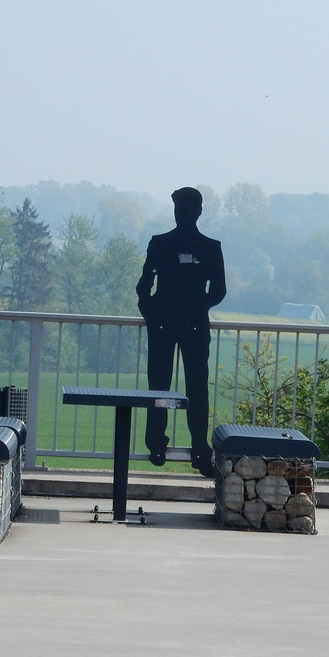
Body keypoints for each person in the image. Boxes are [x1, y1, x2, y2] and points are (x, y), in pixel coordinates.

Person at [136, 187, 226, 478]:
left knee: (188, 386)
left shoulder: (206, 246)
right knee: (170, 387)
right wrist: (153, 311)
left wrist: (155, 310)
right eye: (181, 208)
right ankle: (172, 446)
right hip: (181, 322)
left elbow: (219, 290)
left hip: (180, 322)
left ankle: (189, 447)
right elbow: (144, 284)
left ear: (197, 212)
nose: (184, 213)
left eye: (187, 208)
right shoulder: (167, 244)